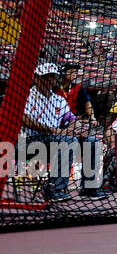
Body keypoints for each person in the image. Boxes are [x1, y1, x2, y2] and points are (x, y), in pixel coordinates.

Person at [20, 62, 79, 201]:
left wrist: (75, 129)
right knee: (68, 141)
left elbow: (72, 119)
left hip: (53, 141)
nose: (49, 81)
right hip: (28, 142)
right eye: (45, 77)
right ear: (36, 78)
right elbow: (25, 120)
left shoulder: (59, 99)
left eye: (52, 77)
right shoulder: (25, 96)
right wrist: (56, 131)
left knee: (91, 142)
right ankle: (55, 189)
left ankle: (90, 189)